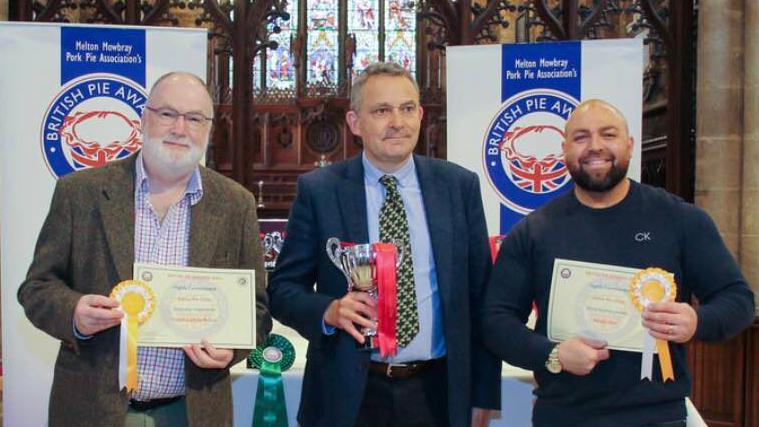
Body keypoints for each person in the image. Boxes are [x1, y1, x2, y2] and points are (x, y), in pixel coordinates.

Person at [18, 71, 271, 427]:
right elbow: (36, 288)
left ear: (208, 129)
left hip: (192, 411)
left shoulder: (235, 204)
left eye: (195, 118)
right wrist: (74, 312)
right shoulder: (81, 193)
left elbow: (257, 311)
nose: (180, 128)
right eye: (167, 114)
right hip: (95, 409)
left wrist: (232, 349)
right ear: (144, 119)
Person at [481, 99, 755, 427]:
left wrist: (697, 320)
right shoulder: (534, 231)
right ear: (564, 149)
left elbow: (738, 301)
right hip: (564, 416)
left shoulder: (680, 220)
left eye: (608, 135)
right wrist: (551, 354)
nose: (595, 146)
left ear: (629, 144)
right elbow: (496, 321)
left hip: (656, 417)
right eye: (581, 137)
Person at [267, 62, 501, 427]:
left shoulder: (458, 186)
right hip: (348, 396)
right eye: (381, 111)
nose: (397, 121)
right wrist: (328, 311)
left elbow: (484, 298)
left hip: (437, 393)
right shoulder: (321, 191)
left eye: (407, 108)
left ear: (421, 115)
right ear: (355, 123)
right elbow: (282, 290)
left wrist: (484, 395)